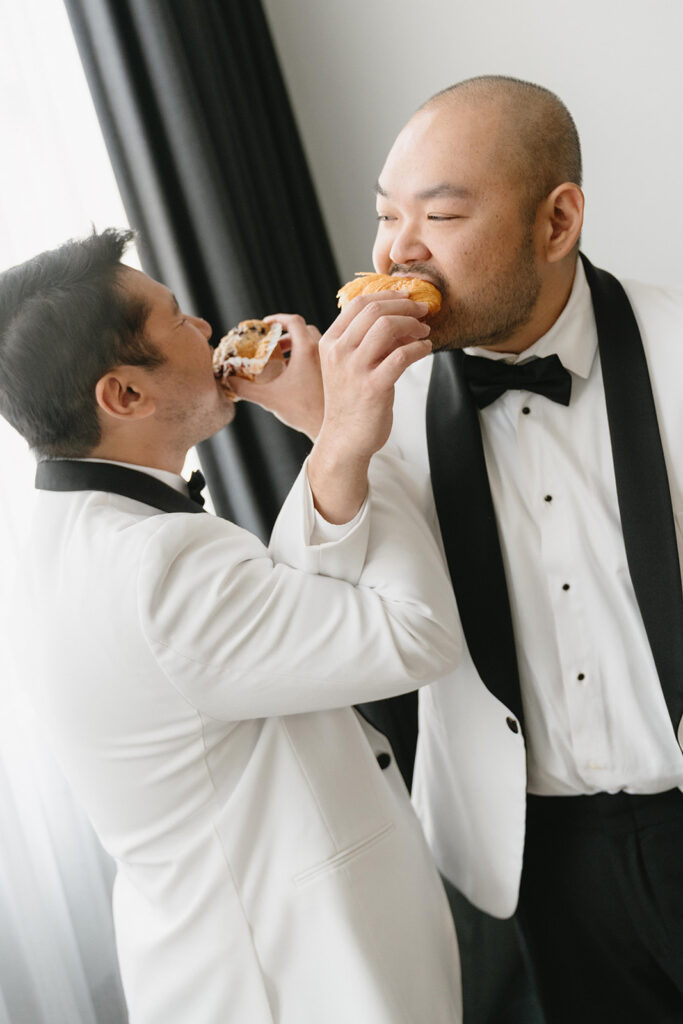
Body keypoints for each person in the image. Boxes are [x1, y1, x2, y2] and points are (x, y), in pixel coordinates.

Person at [0, 228, 465, 1023]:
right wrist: (340, 432)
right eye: (176, 320)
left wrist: (332, 445)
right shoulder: (154, 564)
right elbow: (410, 633)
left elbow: (280, 629)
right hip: (296, 978)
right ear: (124, 396)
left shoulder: (67, 535)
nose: (208, 330)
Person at [367, 75, 683, 1024]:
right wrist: (335, 443)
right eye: (386, 216)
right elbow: (336, 626)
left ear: (557, 222)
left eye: (442, 215)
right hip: (535, 863)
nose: (397, 252)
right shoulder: (373, 415)